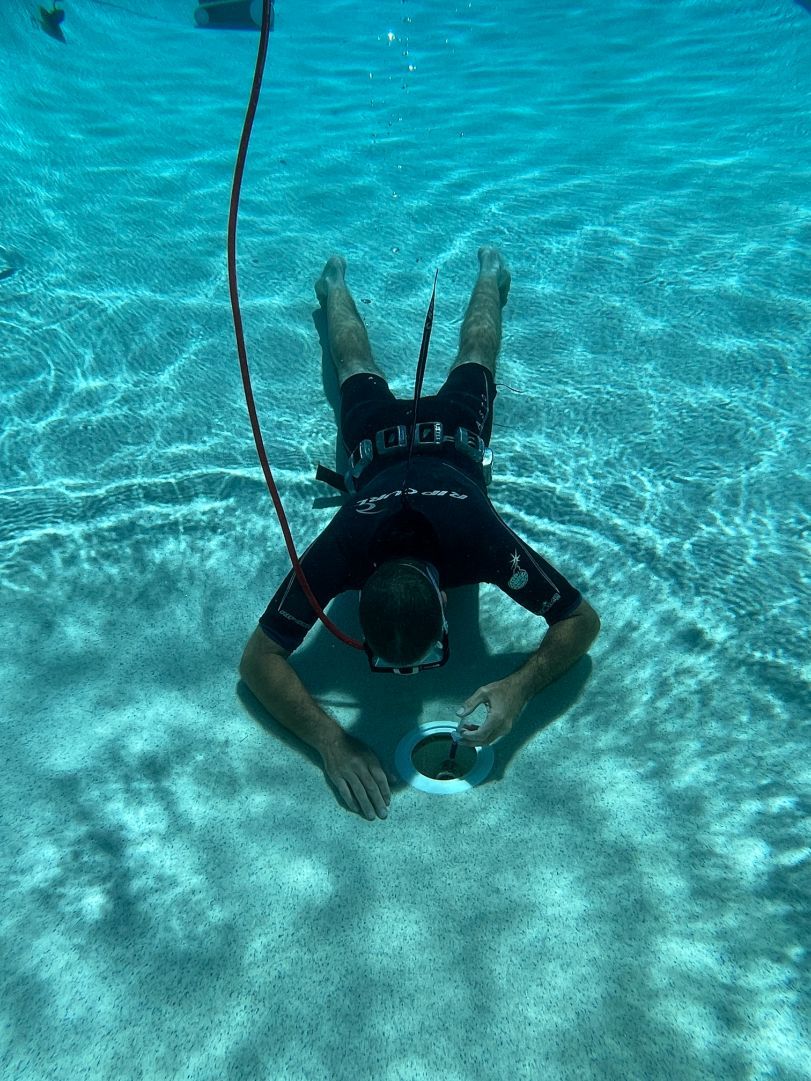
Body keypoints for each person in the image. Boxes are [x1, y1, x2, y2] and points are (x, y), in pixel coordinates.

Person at [240, 247, 600, 821]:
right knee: (398, 362)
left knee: (405, 361)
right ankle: (466, 272)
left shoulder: (352, 550)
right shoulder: (380, 546)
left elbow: (260, 661)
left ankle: (360, 282)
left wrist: (520, 689)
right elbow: (579, 620)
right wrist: (332, 742)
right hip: (410, 443)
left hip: (424, 440)